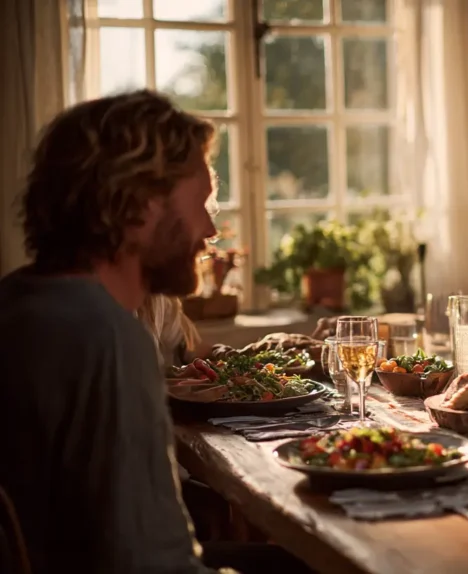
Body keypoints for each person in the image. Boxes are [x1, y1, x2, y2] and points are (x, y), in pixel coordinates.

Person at [0, 90, 305, 574]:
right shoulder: (107, 339)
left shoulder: (18, 301)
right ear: (139, 207)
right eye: (201, 203)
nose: (209, 230)